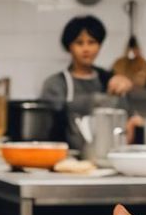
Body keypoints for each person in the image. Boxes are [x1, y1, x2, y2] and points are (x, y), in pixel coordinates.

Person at [39, 15, 134, 145]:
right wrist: (97, 101)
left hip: (107, 150)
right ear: (69, 46)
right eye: (79, 43)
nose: (86, 49)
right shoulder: (56, 83)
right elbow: (49, 124)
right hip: (68, 153)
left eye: (91, 42)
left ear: (99, 45)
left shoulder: (110, 80)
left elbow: (128, 118)